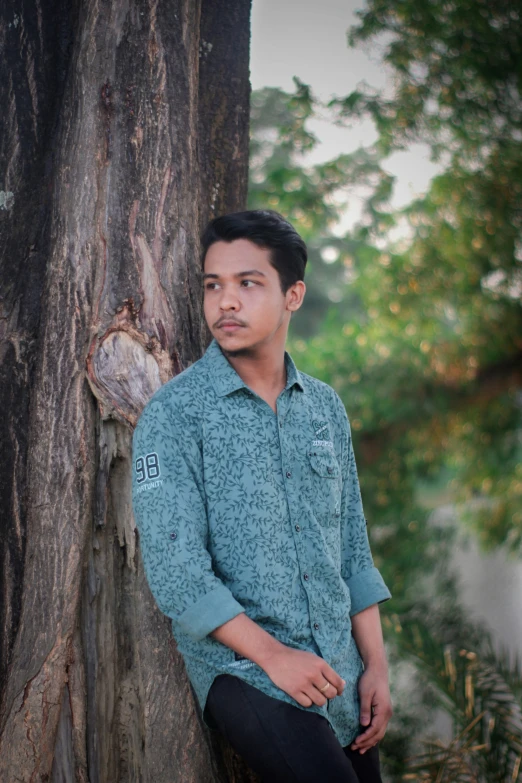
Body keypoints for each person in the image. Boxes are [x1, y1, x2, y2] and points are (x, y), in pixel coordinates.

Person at [131, 209, 393, 782]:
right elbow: (177, 573)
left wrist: (376, 665)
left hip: (342, 675)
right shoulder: (175, 415)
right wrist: (273, 656)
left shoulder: (325, 408)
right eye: (213, 286)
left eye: (248, 283)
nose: (226, 302)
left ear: (292, 295)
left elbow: (352, 548)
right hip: (246, 672)